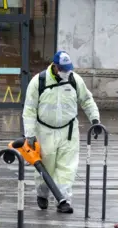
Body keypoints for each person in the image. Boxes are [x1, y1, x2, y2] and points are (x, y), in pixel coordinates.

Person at [22, 50, 102, 214]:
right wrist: (29, 134)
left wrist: (95, 120)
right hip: (44, 132)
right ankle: (42, 194)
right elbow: (29, 109)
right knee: (46, 167)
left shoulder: (74, 80)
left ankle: (63, 200)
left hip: (68, 131)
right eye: (64, 69)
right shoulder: (39, 81)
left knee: (67, 168)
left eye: (69, 68)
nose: (67, 72)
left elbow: (87, 100)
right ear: (56, 67)